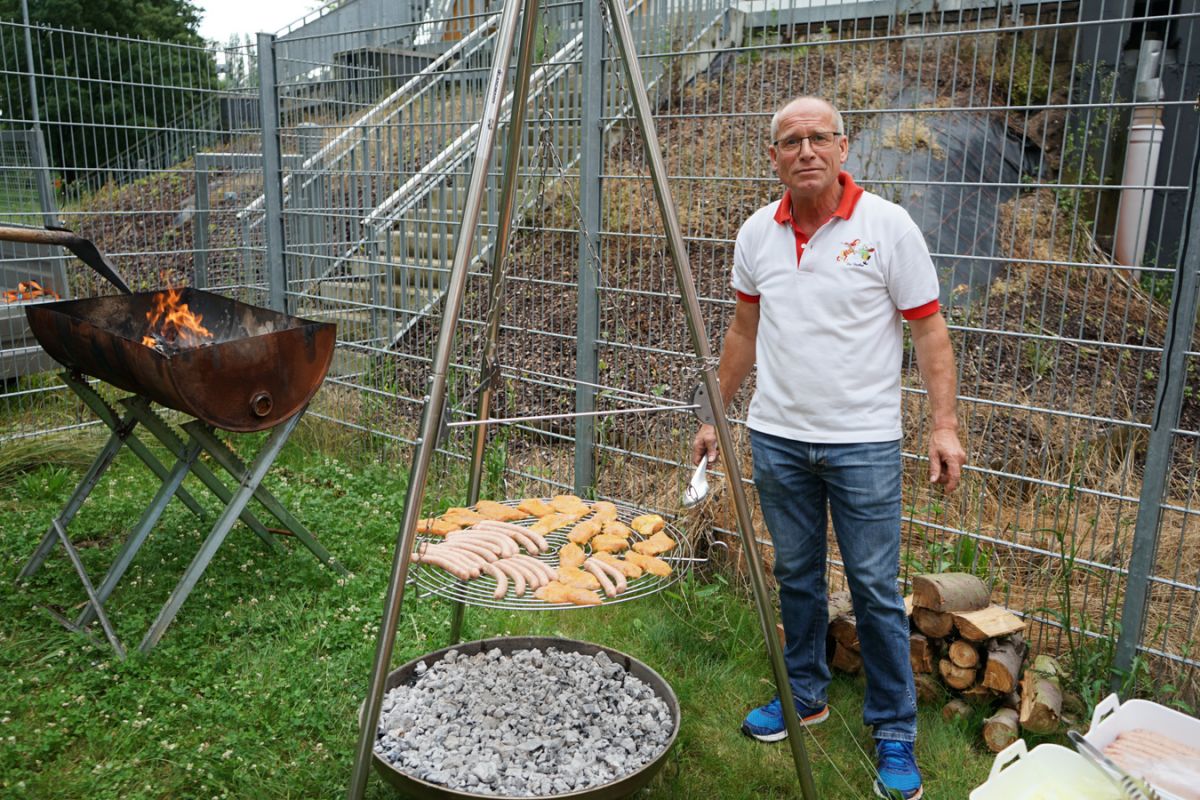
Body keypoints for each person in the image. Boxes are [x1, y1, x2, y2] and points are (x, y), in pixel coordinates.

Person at [692, 96, 966, 800]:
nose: (806, 150)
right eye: (791, 141)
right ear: (774, 157)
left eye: (820, 137)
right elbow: (743, 332)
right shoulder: (757, 232)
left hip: (862, 445)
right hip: (777, 438)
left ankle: (895, 729)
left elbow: (930, 332)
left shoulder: (887, 227)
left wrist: (943, 426)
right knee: (797, 575)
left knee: (874, 588)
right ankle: (805, 694)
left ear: (844, 148)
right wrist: (716, 413)